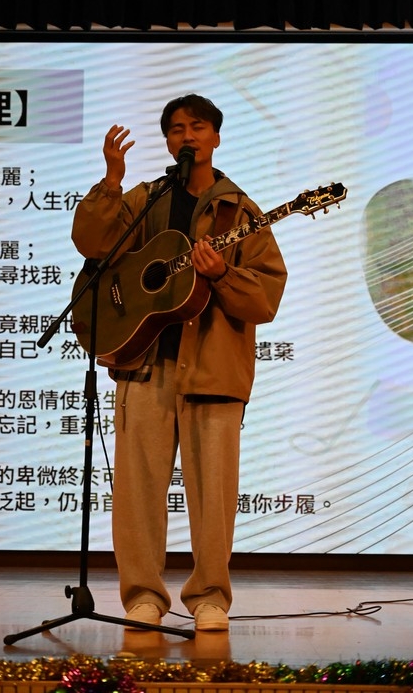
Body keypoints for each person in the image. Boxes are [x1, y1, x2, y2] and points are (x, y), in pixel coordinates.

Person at [71, 94, 287, 632]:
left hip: (212, 372)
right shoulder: (146, 199)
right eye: (175, 129)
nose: (186, 136)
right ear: (168, 141)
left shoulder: (242, 213)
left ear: (216, 136)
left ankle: (209, 597)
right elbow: (91, 243)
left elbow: (265, 299)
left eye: (197, 127)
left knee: (213, 494)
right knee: (138, 492)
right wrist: (112, 181)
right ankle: (143, 595)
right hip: (143, 363)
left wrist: (221, 275)